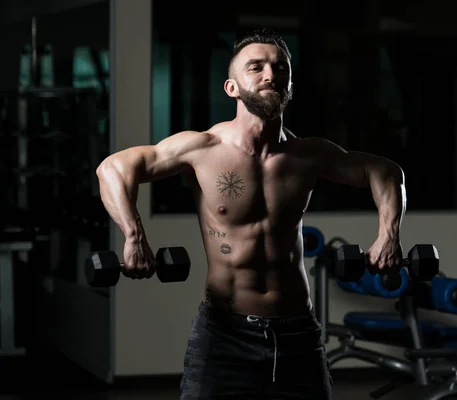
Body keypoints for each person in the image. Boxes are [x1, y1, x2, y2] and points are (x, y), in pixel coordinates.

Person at [96, 28, 406, 400]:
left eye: (279, 68)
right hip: (224, 332)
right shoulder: (203, 148)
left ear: (289, 86)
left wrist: (388, 235)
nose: (270, 75)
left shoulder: (310, 155)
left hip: (297, 333)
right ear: (231, 87)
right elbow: (113, 169)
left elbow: (385, 172)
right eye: (255, 67)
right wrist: (134, 237)